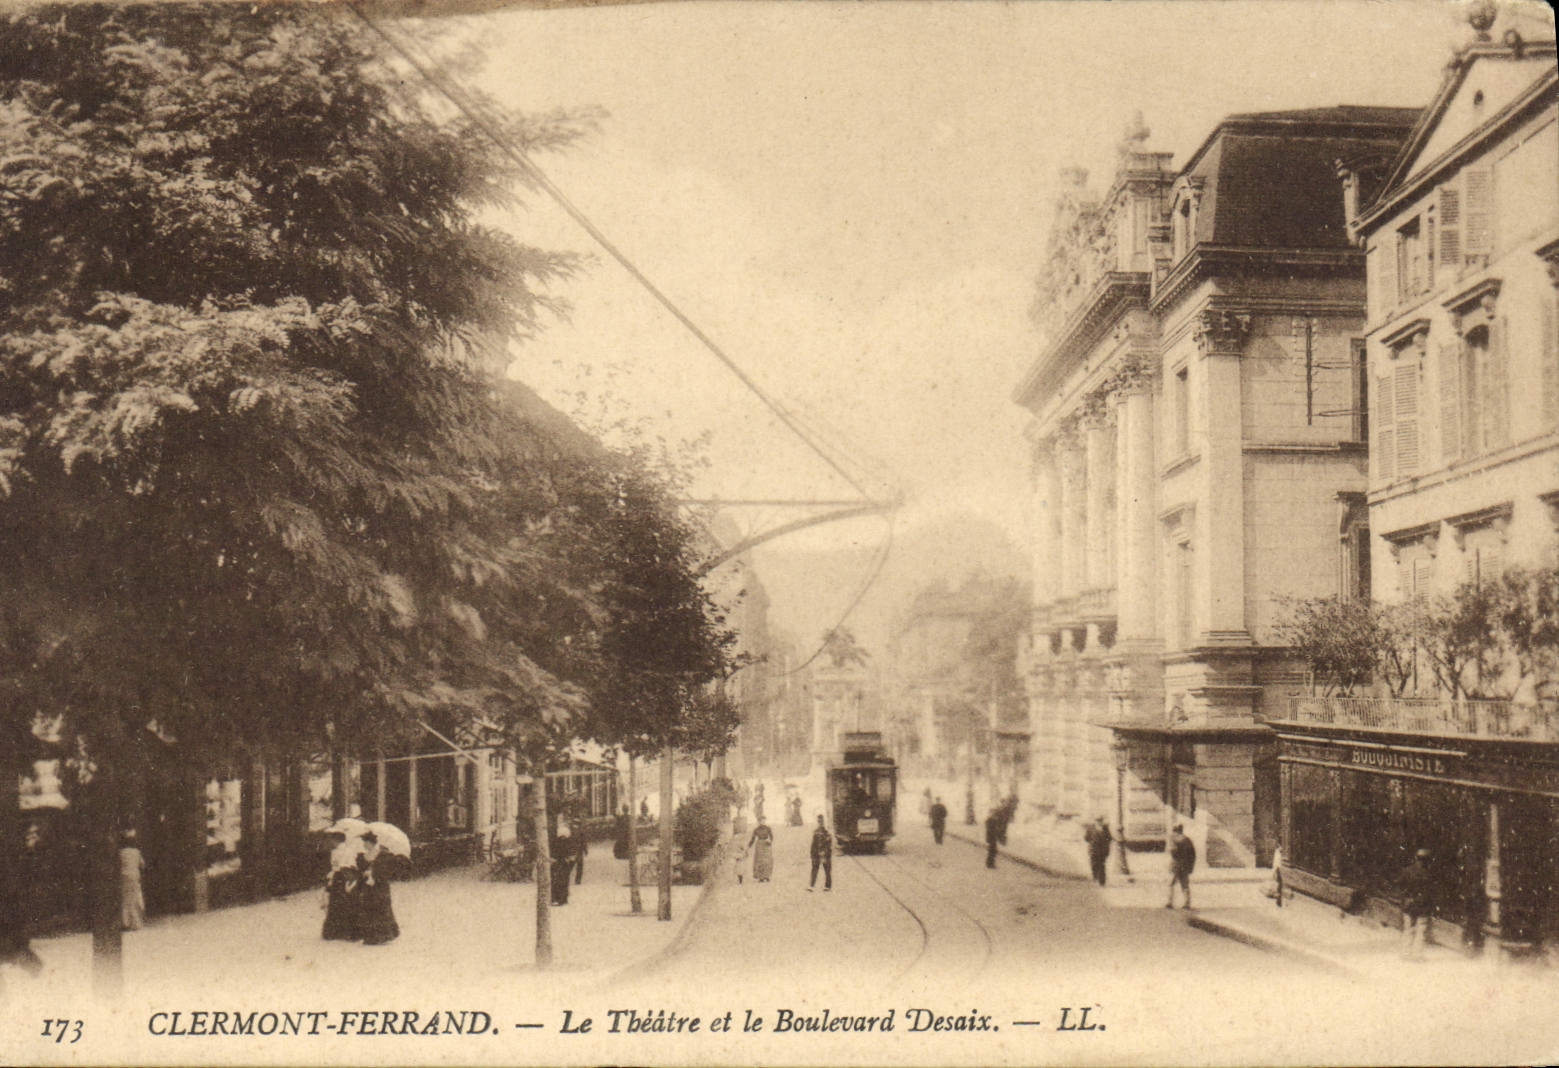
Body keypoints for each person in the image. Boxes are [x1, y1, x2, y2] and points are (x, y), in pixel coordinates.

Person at [354, 832, 400, 945]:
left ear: (370, 843)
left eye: (365, 842)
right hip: (368, 886)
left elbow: (386, 870)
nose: (364, 845)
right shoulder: (364, 855)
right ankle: (371, 936)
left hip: (380, 885)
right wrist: (364, 873)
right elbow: (360, 869)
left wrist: (374, 874)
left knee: (381, 906)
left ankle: (384, 935)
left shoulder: (383, 855)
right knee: (368, 907)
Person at [321, 831, 361, 941]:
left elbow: (337, 867)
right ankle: (346, 931)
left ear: (336, 840)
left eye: (332, 840)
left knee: (337, 904)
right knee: (344, 903)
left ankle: (337, 931)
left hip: (340, 877)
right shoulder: (348, 851)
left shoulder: (338, 852)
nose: (331, 842)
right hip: (345, 877)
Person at [1399, 847, 1435, 960]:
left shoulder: (1407, 871)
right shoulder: (1430, 874)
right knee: (1421, 930)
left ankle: (1405, 953)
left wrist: (1405, 898)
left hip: (1409, 904)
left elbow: (1400, 886)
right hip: (1423, 905)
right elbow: (1432, 892)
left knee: (1408, 929)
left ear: (1416, 858)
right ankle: (1418, 955)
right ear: (1428, 860)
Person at [119, 829, 146, 931]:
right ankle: (135, 923)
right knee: (134, 899)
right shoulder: (137, 852)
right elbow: (143, 865)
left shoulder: (120, 853)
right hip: (134, 876)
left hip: (124, 876)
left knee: (125, 900)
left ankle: (125, 922)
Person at [1167, 823, 1196, 909]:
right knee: (1185, 884)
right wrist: (1191, 867)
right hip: (1185, 865)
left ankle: (1169, 902)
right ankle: (1187, 903)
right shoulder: (1187, 840)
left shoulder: (1173, 839)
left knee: (1171, 883)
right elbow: (1193, 855)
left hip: (1175, 864)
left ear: (1175, 830)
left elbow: (1172, 851)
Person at [549, 821, 575, 906]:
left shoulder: (556, 841)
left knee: (556, 881)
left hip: (557, 864)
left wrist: (553, 860)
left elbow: (553, 853)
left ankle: (556, 898)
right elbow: (572, 855)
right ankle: (563, 899)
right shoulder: (569, 841)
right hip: (564, 864)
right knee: (564, 881)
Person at [1084, 816, 1112, 887]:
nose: (1099, 822)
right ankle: (1095, 875)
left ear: (1102, 821)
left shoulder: (1105, 828)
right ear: (1095, 821)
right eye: (1097, 821)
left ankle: (1102, 881)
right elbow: (1086, 838)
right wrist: (1092, 842)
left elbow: (1109, 838)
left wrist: (1106, 845)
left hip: (1103, 850)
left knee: (1102, 865)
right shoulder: (1090, 828)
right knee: (1094, 864)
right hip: (1093, 849)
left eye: (1100, 821)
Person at [808, 815, 832, 892]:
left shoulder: (827, 832)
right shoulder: (815, 832)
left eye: (821, 821)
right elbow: (813, 844)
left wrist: (824, 852)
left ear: (823, 822)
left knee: (827, 870)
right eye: (818, 821)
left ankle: (827, 886)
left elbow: (829, 844)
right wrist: (812, 853)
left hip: (825, 853)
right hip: (816, 853)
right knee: (814, 869)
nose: (820, 823)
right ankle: (811, 885)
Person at [748, 818, 775, 883]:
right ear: (758, 822)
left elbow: (771, 836)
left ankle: (767, 876)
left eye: (763, 821)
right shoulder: (756, 830)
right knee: (759, 861)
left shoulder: (768, 828)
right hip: (759, 845)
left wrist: (770, 840)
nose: (762, 822)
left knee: (767, 860)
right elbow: (753, 838)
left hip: (767, 845)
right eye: (761, 821)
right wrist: (749, 846)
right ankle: (761, 877)